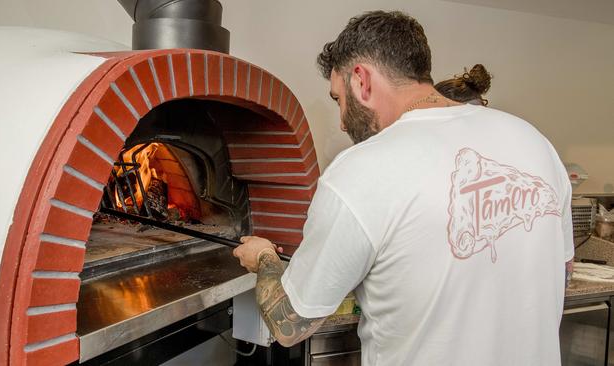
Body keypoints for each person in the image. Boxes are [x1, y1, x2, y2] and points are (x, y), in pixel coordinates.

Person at [233, 10, 573, 366]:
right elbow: (560, 274)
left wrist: (265, 258)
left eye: (338, 99)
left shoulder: (362, 169)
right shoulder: (533, 142)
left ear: (361, 81)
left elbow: (292, 325)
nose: (341, 119)